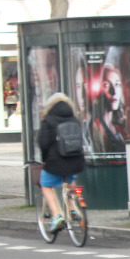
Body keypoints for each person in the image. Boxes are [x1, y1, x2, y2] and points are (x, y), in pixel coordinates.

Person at [36, 93, 86, 235]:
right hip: (75, 160)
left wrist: (45, 160)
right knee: (71, 179)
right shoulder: (74, 120)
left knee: (46, 185)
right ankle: (74, 207)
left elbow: (43, 143)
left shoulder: (48, 120)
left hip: (55, 162)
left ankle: (57, 216)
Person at [89, 62, 128, 154]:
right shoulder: (96, 128)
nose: (113, 91)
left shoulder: (119, 125)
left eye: (117, 85)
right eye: (107, 85)